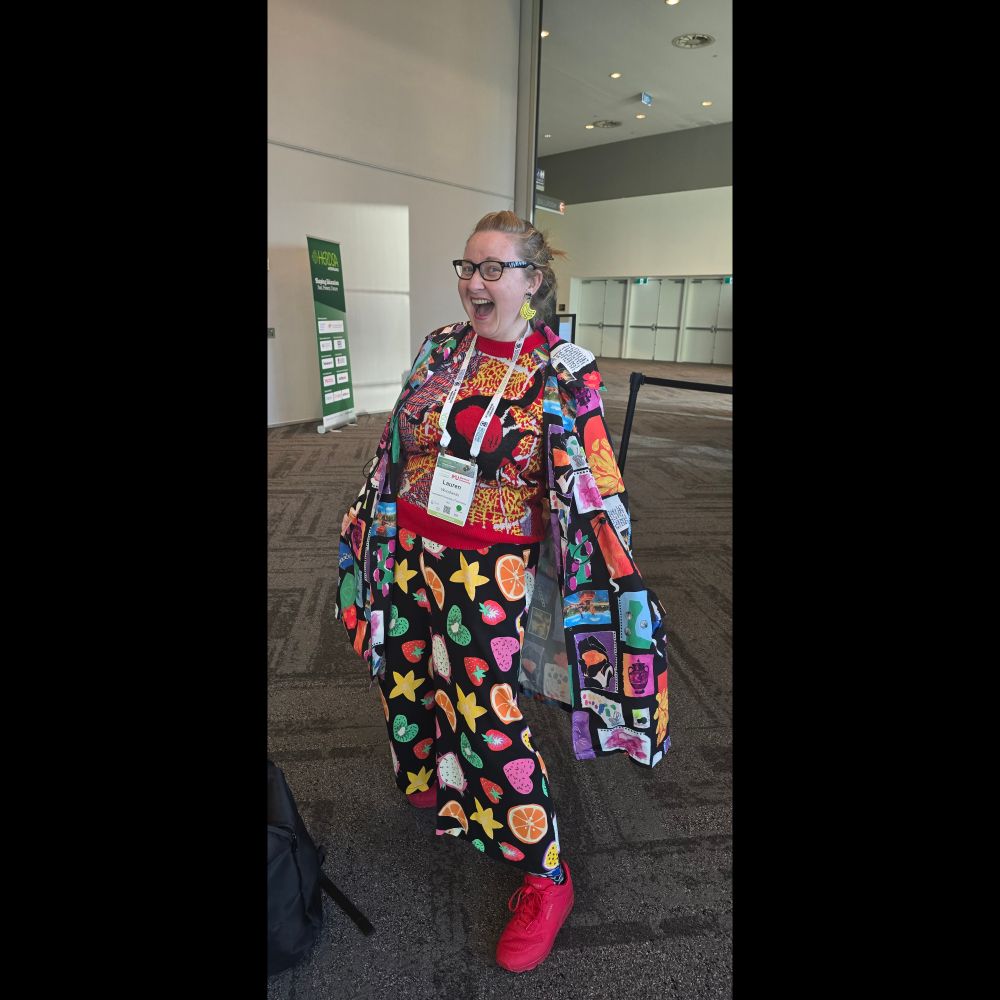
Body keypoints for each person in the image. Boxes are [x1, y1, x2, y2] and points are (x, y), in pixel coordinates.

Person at [337, 211, 670, 973]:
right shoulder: (441, 347)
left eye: (494, 269)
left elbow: (591, 484)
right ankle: (432, 780)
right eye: (467, 267)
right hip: (411, 549)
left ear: (533, 281)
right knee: (407, 676)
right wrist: (369, 532)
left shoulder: (560, 367)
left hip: (491, 570)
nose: (475, 283)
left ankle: (546, 871)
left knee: (488, 713)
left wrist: (606, 585)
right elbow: (399, 443)